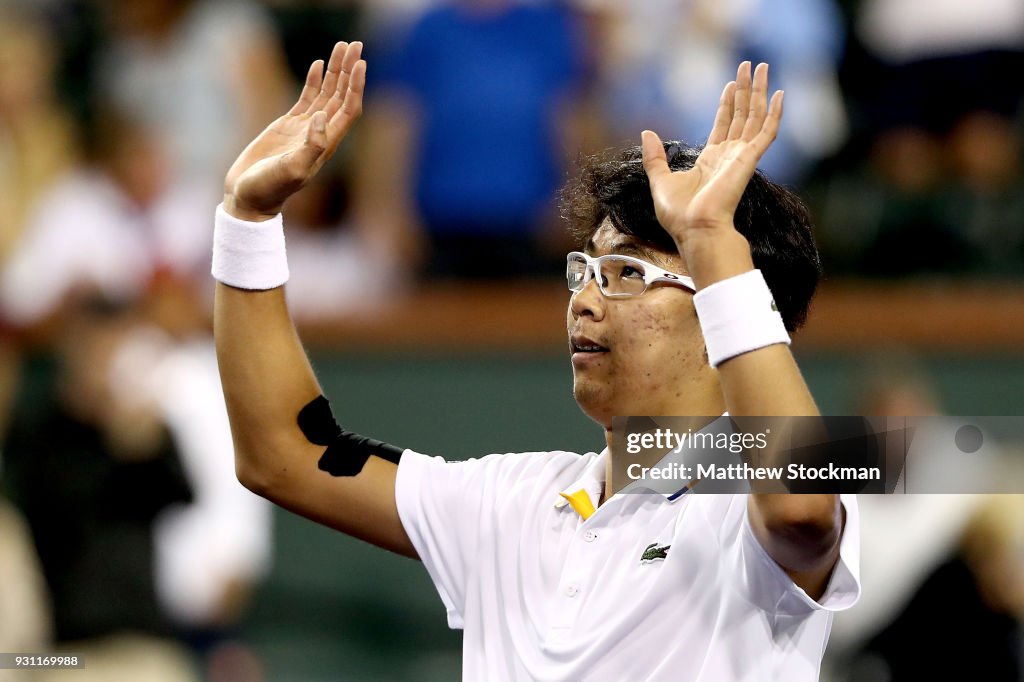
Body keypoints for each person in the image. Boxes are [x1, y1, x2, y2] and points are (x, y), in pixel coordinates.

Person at [212, 41, 859, 680]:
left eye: (627, 273)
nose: (585, 300)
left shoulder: (746, 505)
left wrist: (713, 239)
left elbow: (798, 511)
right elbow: (282, 453)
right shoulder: (512, 504)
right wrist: (248, 217)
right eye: (585, 269)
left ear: (725, 308)